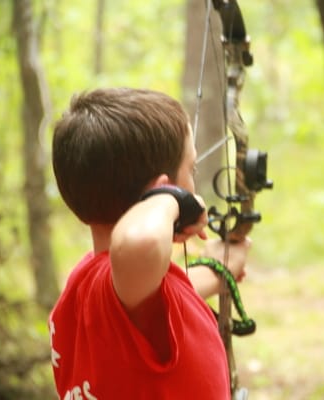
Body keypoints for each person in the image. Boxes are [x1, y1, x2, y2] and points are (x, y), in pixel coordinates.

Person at [49, 87, 251, 399]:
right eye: (191, 168)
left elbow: (156, 304)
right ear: (165, 190)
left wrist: (219, 269)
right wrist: (170, 202)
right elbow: (139, 243)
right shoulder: (123, 275)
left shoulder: (87, 283)